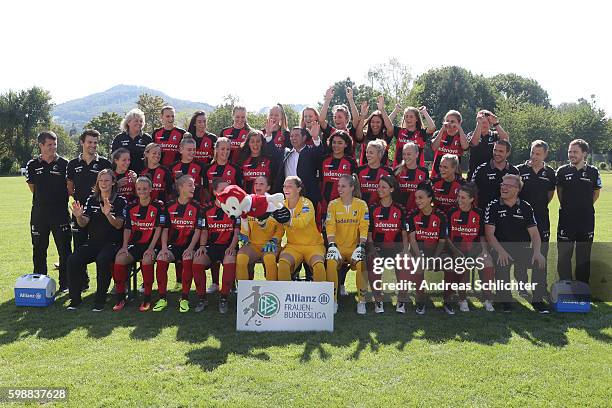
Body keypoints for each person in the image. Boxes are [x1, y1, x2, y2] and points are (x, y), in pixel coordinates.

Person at [484, 174, 547, 313]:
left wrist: (537, 252)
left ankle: (538, 300)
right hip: (500, 248)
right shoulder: (493, 205)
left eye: (508, 185)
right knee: (502, 261)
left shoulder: (526, 207)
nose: (503, 187)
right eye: (502, 185)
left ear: (517, 189)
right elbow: (489, 234)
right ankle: (506, 301)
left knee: (540, 261)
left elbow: (535, 234)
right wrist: (501, 251)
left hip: (521, 248)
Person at [66, 169, 127, 310]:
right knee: (73, 259)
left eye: (107, 180)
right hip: (93, 242)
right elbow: (83, 223)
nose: (103, 183)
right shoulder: (91, 199)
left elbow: (119, 225)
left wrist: (108, 214)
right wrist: (79, 216)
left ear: (113, 182)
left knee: (102, 259)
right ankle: (75, 300)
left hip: (112, 244)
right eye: (101, 180)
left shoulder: (120, 200)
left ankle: (100, 300)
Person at [26, 131, 72, 292]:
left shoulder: (65, 164)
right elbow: (33, 188)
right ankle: (39, 283)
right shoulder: (32, 165)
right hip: (39, 214)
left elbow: (69, 188)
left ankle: (65, 284)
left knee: (64, 249)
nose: (53, 147)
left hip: (60, 213)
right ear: (41, 145)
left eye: (55, 144)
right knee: (39, 249)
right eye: (49, 145)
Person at [67, 129, 112, 290]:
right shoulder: (72, 164)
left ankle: (107, 286)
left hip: (99, 214)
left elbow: (111, 185)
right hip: (80, 213)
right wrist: (80, 207)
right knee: (79, 247)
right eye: (89, 142)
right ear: (82, 142)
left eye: (95, 142)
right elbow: (70, 188)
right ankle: (82, 283)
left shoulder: (104, 163)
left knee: (101, 248)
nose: (93, 145)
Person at [111, 176, 164, 312]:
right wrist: (124, 246)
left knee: (146, 259)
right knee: (120, 258)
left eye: (145, 189)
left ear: (151, 189)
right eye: (139, 189)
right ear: (136, 190)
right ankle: (121, 297)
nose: (142, 191)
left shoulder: (158, 205)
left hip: (153, 245)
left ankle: (147, 298)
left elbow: (159, 228)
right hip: (136, 245)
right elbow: (127, 228)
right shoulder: (131, 206)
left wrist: (151, 248)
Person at [153, 175, 204, 312]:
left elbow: (198, 231)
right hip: (174, 246)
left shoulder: (197, 207)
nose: (194, 187)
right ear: (180, 187)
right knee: (161, 258)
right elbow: (165, 229)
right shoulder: (169, 206)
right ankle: (162, 298)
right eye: (190, 185)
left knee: (187, 258)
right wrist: (164, 248)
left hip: (190, 246)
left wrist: (191, 248)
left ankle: (185, 298)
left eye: (194, 185)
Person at [556, 139, 602, 284]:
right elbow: (559, 192)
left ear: (584, 153)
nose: (571, 154)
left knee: (583, 255)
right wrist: (570, 208)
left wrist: (584, 207)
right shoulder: (562, 171)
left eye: (575, 152)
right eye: (570, 151)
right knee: (564, 255)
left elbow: (596, 193)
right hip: (566, 219)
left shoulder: (593, 172)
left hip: (586, 220)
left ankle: (582, 287)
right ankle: (565, 285)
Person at [517, 140, 556, 305]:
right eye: (532, 152)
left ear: (545, 154)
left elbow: (550, 195)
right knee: (521, 253)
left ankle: (540, 287)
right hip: (521, 219)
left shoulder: (550, 173)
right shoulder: (520, 170)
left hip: (541, 218)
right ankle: (522, 286)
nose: (534, 156)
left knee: (541, 253)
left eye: (538, 153)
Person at [446, 183, 494, 312]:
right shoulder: (452, 212)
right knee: (464, 265)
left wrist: (484, 251)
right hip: (456, 251)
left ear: (471, 199)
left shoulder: (478, 213)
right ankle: (462, 299)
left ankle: (487, 299)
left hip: (474, 250)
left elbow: (482, 235)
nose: (459, 200)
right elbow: (447, 237)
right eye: (459, 197)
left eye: (463, 197)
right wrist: (455, 252)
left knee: (488, 263)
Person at [325, 174, 369, 314]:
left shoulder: (361, 205)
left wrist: (361, 246)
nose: (339, 189)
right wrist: (332, 245)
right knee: (331, 263)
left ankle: (362, 301)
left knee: (362, 264)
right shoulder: (333, 204)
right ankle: (333, 301)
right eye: (338, 186)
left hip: (354, 248)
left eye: (343, 186)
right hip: (337, 248)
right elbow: (330, 226)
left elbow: (364, 226)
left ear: (352, 187)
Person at [367, 176, 410, 314]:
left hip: (395, 248)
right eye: (379, 186)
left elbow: (404, 232)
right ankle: (378, 300)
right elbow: (369, 232)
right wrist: (372, 249)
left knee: (405, 262)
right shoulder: (372, 208)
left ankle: (401, 300)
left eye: (384, 187)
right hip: (378, 247)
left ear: (391, 189)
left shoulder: (400, 209)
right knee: (372, 261)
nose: (380, 189)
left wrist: (405, 250)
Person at [197, 179, 241, 313]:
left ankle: (223, 298)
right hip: (212, 247)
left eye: (228, 190)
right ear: (215, 192)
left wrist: (232, 247)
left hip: (229, 246)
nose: (226, 193)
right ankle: (202, 298)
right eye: (223, 191)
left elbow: (237, 231)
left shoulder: (235, 208)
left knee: (229, 260)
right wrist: (202, 246)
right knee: (197, 260)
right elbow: (204, 230)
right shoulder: (206, 209)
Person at [407, 182, 448, 315]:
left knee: (450, 263)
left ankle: (448, 300)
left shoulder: (440, 216)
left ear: (430, 198)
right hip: (418, 252)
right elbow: (412, 240)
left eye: (421, 197)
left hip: (436, 252)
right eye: (416, 198)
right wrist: (419, 257)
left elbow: (442, 241)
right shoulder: (412, 215)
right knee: (418, 265)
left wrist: (435, 257)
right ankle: (420, 301)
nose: (417, 201)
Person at [277, 176, 326, 284]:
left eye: (290, 186)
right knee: (283, 264)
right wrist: (275, 240)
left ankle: (322, 298)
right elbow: (279, 229)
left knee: (318, 266)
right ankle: (285, 296)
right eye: (284, 186)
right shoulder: (281, 205)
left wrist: (287, 221)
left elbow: (302, 222)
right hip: (293, 246)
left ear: (298, 189)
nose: (286, 189)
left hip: (313, 246)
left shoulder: (307, 203)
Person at [236, 176, 283, 281]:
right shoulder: (248, 202)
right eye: (256, 184)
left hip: (270, 245)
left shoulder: (275, 203)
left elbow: (280, 229)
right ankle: (243, 291)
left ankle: (273, 290)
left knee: (269, 258)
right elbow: (244, 224)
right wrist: (244, 235)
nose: (257, 186)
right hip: (253, 246)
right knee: (241, 258)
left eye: (261, 184)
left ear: (268, 187)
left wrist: (274, 240)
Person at [274, 125, 325, 208]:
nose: (293, 138)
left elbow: (319, 153)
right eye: (291, 136)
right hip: (287, 197)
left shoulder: (311, 152)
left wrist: (315, 138)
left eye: (297, 135)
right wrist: (268, 134)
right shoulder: (286, 153)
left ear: (304, 138)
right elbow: (272, 151)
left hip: (307, 196)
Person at [470, 139, 519, 209]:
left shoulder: (514, 171)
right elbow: (471, 191)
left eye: (501, 151)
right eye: (495, 150)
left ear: (508, 153)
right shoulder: (481, 169)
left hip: (506, 214)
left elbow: (517, 195)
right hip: (484, 213)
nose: (497, 153)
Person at [320, 131, 358, 216]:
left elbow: (354, 185)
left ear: (346, 144)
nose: (336, 146)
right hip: (325, 204)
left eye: (340, 143)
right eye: (334, 142)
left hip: (344, 204)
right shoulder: (323, 160)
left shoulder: (351, 162)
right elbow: (320, 182)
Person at [467, 110, 509, 180]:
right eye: (481, 122)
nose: (483, 125)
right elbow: (474, 143)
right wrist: (479, 124)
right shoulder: (471, 134)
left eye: (486, 122)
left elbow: (506, 140)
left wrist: (496, 123)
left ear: (490, 124)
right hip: (474, 173)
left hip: (492, 174)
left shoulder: (495, 135)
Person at [319, 86, 361, 154]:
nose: (336, 119)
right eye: (335, 117)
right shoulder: (331, 131)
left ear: (347, 118)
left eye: (340, 117)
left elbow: (356, 118)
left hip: (349, 164)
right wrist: (327, 100)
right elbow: (321, 120)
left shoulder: (351, 132)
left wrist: (350, 99)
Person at [355, 95, 394, 165]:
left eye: (378, 122)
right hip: (365, 171)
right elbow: (358, 135)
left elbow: (390, 129)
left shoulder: (385, 135)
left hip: (382, 171)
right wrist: (363, 115)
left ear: (382, 123)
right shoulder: (365, 135)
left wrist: (382, 109)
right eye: (372, 122)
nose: (375, 125)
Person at [112, 108, 152, 174]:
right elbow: (114, 158)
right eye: (136, 121)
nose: (139, 123)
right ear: (128, 122)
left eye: (141, 121)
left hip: (142, 175)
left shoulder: (147, 138)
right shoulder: (119, 138)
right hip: (123, 175)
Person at [430, 110, 469, 178]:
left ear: (459, 123)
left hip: (455, 175)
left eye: (452, 121)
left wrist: (459, 128)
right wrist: (442, 129)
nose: (449, 123)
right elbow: (434, 147)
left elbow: (465, 147)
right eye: (447, 120)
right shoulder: (438, 134)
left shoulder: (461, 136)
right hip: (437, 173)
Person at [355, 139, 394, 206]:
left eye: (371, 153)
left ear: (379, 154)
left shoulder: (388, 171)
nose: (368, 155)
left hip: (379, 210)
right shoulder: (359, 170)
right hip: (361, 209)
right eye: (367, 152)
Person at [394, 142, 430, 214]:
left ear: (417, 154)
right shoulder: (396, 171)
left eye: (409, 154)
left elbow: (425, 193)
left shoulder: (424, 172)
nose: (406, 156)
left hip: (417, 212)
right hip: (399, 212)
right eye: (404, 154)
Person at [169, 134, 207, 201]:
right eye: (189, 150)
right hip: (178, 204)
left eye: (194, 149)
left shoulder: (201, 166)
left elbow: (204, 187)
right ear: (181, 149)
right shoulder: (173, 167)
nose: (192, 152)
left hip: (196, 203)